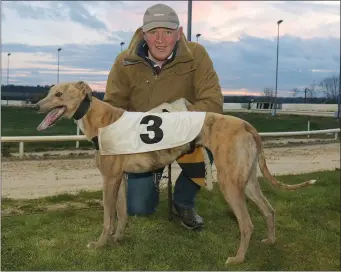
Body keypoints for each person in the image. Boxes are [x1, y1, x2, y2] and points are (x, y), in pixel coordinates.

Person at [103, 3, 223, 231]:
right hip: (145, 140)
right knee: (139, 208)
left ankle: (183, 201)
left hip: (186, 136)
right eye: (154, 32)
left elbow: (213, 104)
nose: (160, 40)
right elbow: (113, 107)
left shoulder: (197, 55)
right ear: (143, 34)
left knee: (211, 138)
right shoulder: (124, 61)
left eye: (168, 32)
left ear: (178, 34)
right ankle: (152, 178)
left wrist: (175, 117)